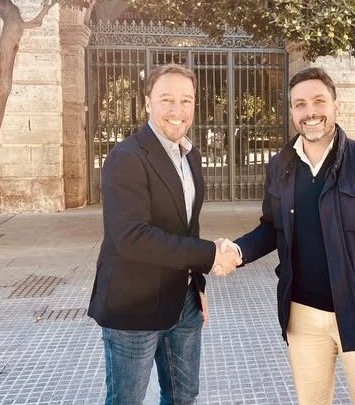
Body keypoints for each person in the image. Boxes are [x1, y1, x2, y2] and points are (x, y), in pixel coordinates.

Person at [219, 67, 355, 405]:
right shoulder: (279, 165)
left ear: (336, 106)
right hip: (302, 316)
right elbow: (271, 227)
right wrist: (237, 251)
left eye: (318, 101)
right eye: (300, 104)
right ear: (291, 111)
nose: (310, 112)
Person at [87, 64, 240, 405]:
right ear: (147, 103)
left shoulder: (191, 155)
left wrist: (198, 285)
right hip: (134, 307)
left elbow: (187, 227)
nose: (177, 109)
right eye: (167, 99)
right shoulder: (126, 157)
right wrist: (211, 254)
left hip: (183, 303)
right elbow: (132, 237)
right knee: (126, 400)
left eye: (186, 100)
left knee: (183, 396)